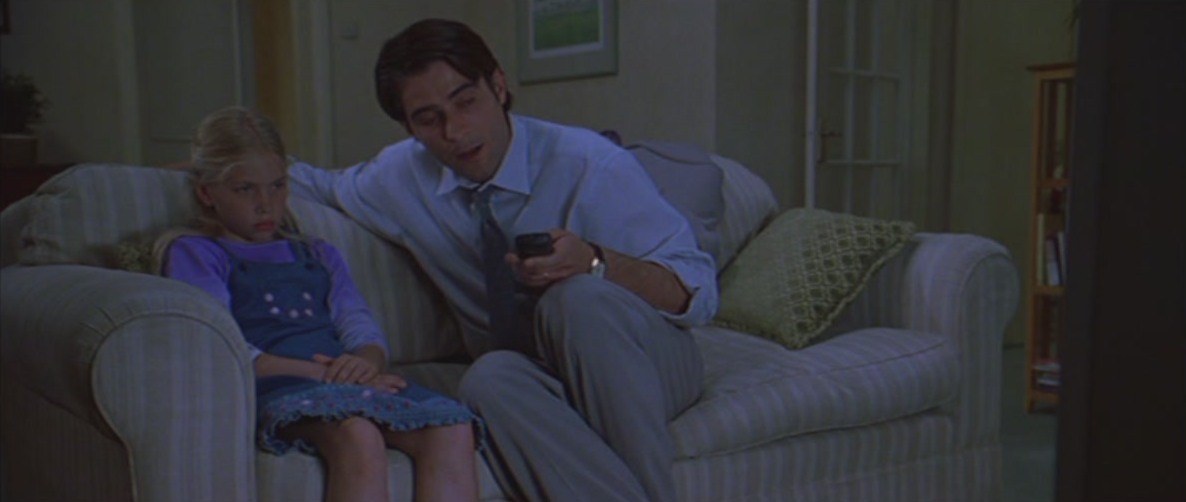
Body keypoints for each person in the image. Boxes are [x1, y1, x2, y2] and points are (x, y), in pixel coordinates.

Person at [288, 18, 717, 502]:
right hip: (539, 372)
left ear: (498, 84)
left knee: (575, 300)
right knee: (488, 378)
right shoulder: (398, 176)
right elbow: (302, 181)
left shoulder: (590, 165)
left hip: (645, 360)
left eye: (466, 101)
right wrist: (219, 162)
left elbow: (697, 291)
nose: (455, 131)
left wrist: (595, 262)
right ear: (410, 128)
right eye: (428, 119)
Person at [155, 106, 481, 502]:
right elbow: (221, 348)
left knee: (451, 427)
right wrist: (323, 374)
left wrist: (367, 361)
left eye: (277, 186)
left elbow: (357, 321)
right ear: (207, 193)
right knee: (358, 433)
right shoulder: (198, 252)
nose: (266, 204)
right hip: (277, 384)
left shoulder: (316, 252)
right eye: (245, 189)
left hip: (343, 380)